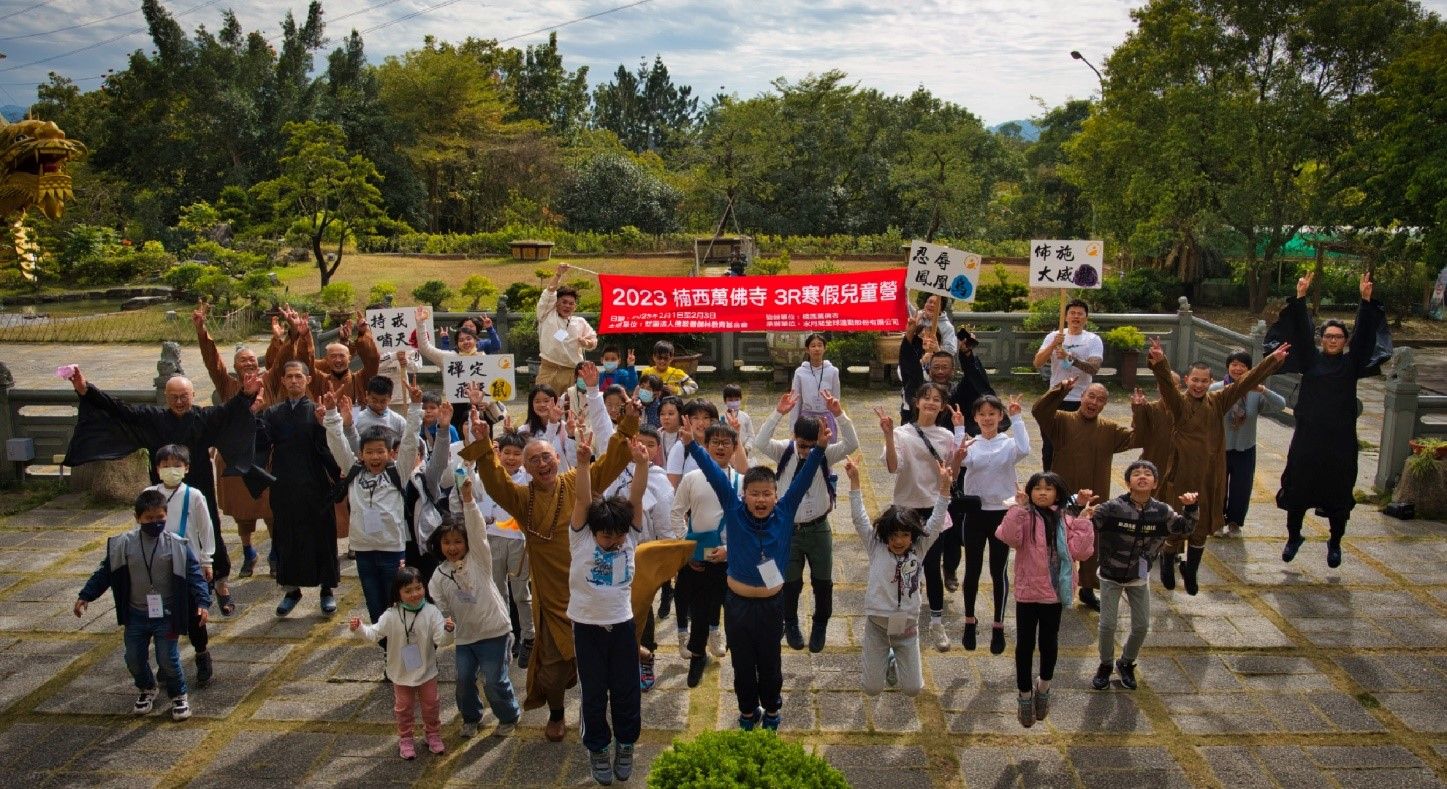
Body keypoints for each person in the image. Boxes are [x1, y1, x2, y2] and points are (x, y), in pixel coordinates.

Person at [462, 398, 640, 742]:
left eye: (547, 456)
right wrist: (484, 446)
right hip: (554, 596)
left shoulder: (578, 481)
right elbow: (496, 482)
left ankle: (602, 713)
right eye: (534, 460)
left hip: (594, 587)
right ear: (526, 468)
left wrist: (629, 424)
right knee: (554, 669)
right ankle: (557, 713)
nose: (542, 463)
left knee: (603, 664)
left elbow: (613, 461)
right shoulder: (521, 498)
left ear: (558, 458)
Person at [63, 366, 261, 617]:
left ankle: (220, 583)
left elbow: (229, 411)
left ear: (193, 395)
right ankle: (169, 585)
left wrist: (245, 394)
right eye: (174, 397)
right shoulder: (153, 418)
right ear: (166, 398)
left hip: (199, 485)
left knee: (209, 528)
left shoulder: (203, 417)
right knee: (161, 534)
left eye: (184, 396)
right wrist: (86, 389)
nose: (179, 402)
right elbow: (120, 409)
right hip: (162, 489)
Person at [687, 416, 827, 731]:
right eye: (755, 494)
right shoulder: (734, 509)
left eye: (767, 494)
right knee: (742, 664)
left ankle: (773, 710)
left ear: (776, 496)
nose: (761, 499)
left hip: (771, 605)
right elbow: (713, 474)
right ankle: (748, 712)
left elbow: (804, 479)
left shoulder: (786, 510)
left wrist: (819, 448)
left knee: (770, 663)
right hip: (737, 604)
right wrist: (691, 445)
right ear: (744, 495)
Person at [1145, 337, 1287, 593]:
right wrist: (1160, 362)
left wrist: (1271, 361)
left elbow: (1246, 382)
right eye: (1194, 380)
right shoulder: (1179, 403)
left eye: (1204, 381)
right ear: (1187, 380)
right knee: (1176, 523)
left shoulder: (1219, 400)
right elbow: (1166, 385)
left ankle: (1191, 571)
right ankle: (1168, 558)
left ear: (1211, 382)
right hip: (1182, 473)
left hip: (1209, 474)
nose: (1199, 385)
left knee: (1202, 526)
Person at [1273, 271, 1385, 568]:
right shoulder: (1311, 360)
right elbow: (1299, 329)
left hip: (1340, 441)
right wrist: (1300, 297)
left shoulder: (1352, 364)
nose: (1332, 340)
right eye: (1328, 336)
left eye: (1338, 337)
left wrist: (1365, 300)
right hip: (1308, 438)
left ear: (1344, 341)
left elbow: (1365, 337)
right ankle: (1293, 536)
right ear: (1321, 340)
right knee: (1297, 489)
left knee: (1338, 494)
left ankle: (1335, 543)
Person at [74, 489, 210, 721]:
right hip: (136, 614)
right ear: (137, 518)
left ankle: (179, 695)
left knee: (168, 658)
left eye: (160, 518)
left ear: (166, 516)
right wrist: (86, 595)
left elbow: (195, 575)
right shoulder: (123, 545)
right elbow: (105, 573)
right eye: (149, 518)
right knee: (133, 658)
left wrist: (202, 602)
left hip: (166, 614)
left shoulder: (178, 545)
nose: (155, 523)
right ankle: (147, 687)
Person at [569, 434, 649, 786]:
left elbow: (636, 497)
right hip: (587, 627)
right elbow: (583, 499)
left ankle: (626, 744)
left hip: (621, 626)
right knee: (594, 692)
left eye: (618, 537)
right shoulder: (582, 535)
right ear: (593, 532)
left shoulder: (629, 533)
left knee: (627, 689)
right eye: (608, 537)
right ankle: (598, 748)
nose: (615, 541)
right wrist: (583, 464)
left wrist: (642, 463)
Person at [753, 390, 857, 653]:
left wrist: (838, 414)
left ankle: (820, 624)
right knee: (790, 582)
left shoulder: (824, 454)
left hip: (819, 528)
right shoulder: (784, 452)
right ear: (794, 438)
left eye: (812, 445)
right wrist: (779, 412)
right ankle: (790, 622)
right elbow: (760, 441)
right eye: (802, 444)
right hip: (789, 530)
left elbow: (851, 444)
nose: (807, 450)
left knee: (822, 582)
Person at [193, 299, 287, 579]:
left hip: (265, 452)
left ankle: (274, 552)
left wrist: (282, 337)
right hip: (234, 455)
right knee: (241, 511)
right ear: (235, 366)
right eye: (242, 361)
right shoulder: (228, 384)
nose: (247, 364)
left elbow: (282, 360)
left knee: (271, 508)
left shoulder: (269, 380)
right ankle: (248, 551)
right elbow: (213, 362)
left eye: (251, 360)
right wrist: (202, 331)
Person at [846, 455, 953, 697]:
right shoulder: (876, 546)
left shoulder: (920, 548)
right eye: (893, 535)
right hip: (877, 627)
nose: (898, 541)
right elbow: (859, 519)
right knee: (871, 689)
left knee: (913, 689)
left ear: (913, 535)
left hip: (907, 627)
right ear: (884, 535)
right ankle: (886, 656)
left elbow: (935, 522)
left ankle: (893, 659)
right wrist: (855, 482)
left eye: (904, 535)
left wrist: (944, 487)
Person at [324, 380, 424, 638]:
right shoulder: (354, 470)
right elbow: (337, 444)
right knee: (375, 605)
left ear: (391, 453)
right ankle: (387, 653)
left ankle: (406, 646)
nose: (375, 457)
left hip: (392, 549)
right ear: (361, 454)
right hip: (364, 551)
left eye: (380, 451)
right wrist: (332, 414)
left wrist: (415, 407)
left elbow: (411, 441)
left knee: (399, 603)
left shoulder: (398, 472)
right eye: (369, 452)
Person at [995, 472, 1095, 729]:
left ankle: (1044, 686)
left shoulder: (1066, 519)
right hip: (1028, 592)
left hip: (1054, 593)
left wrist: (1083, 522)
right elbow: (1007, 537)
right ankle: (1025, 694)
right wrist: (1018, 508)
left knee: (1049, 642)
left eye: (1048, 489)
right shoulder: (1025, 517)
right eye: (1037, 488)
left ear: (1058, 493)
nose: (1042, 493)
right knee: (1024, 645)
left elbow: (1081, 552)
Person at [1032, 378, 1138, 612]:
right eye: (1091, 396)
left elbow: (1137, 437)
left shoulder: (1109, 429)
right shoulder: (1061, 420)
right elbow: (1039, 411)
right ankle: (1053, 586)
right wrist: (1059, 390)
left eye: (1100, 400)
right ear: (1081, 397)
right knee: (1056, 540)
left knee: (1092, 543)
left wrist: (1138, 410)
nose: (1094, 402)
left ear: (1105, 405)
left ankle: (1088, 589)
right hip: (1063, 495)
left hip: (1094, 499)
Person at [1090, 461, 1197, 692]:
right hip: (1110, 575)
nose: (1142, 477)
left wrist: (1191, 508)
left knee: (1141, 626)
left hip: (1139, 577)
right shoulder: (1113, 507)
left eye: (1148, 474)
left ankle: (1126, 662)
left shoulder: (1162, 511)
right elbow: (1086, 523)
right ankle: (1106, 665)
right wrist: (1078, 508)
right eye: (1136, 474)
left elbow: (1184, 529)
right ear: (1128, 482)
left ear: (1155, 483)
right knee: (1107, 625)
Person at [428, 477, 521, 739]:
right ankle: (471, 717)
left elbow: (477, 529)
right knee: (464, 680)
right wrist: (445, 624)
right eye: (447, 543)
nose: (453, 547)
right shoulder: (438, 576)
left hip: (494, 631)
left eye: (458, 541)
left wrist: (468, 500)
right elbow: (442, 609)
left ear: (467, 544)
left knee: (494, 681)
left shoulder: (479, 558)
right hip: (465, 637)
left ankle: (509, 714)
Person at [878, 383, 961, 651]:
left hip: (933, 508)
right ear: (916, 402)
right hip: (905, 509)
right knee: (901, 569)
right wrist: (889, 436)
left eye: (937, 399)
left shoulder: (946, 436)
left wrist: (958, 457)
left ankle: (936, 623)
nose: (931, 402)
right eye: (926, 397)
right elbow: (893, 467)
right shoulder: (902, 434)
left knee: (932, 566)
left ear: (942, 405)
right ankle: (895, 632)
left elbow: (952, 475)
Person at [257, 361, 342, 617]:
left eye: (299, 376)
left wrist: (322, 425)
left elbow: (328, 450)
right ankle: (291, 590)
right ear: (282, 380)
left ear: (307, 380)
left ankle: (327, 589)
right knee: (286, 537)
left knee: (322, 537)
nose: (294, 381)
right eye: (289, 376)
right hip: (284, 485)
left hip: (314, 485)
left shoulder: (318, 411)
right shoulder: (272, 414)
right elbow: (261, 447)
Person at [350, 567, 455, 759]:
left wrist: (449, 631)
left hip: (427, 671)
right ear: (397, 593)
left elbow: (442, 640)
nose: (415, 594)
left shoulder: (432, 612)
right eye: (408, 591)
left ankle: (432, 734)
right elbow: (374, 634)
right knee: (403, 706)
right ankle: (405, 738)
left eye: (418, 588)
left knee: (431, 704)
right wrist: (359, 629)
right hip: (400, 672)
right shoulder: (391, 615)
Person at [958, 395, 1029, 655]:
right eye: (982, 414)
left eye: (992, 413)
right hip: (975, 512)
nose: (987, 418)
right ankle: (969, 620)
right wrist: (957, 429)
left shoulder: (1008, 444)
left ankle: (998, 624)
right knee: (973, 569)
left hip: (1002, 512)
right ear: (975, 417)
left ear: (1000, 417)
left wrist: (1018, 417)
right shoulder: (971, 443)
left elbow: (1025, 449)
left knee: (998, 571)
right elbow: (957, 459)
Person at [670, 423, 739, 686]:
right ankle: (697, 655)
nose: (720, 447)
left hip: (726, 556)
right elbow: (677, 513)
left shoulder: (742, 482)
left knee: (722, 603)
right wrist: (684, 548)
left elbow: (746, 523)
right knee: (698, 607)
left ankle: (718, 638)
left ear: (735, 447)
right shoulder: (692, 479)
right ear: (706, 446)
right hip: (697, 555)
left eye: (726, 442)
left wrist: (730, 551)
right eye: (715, 442)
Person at [146, 445, 217, 687]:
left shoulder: (194, 495)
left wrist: (207, 559)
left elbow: (206, 528)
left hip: (189, 563)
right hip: (158, 565)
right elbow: (139, 528)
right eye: (165, 466)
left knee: (196, 614)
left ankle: (201, 655)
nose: (171, 470)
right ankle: (167, 661)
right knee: (163, 616)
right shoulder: (149, 494)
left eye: (177, 465)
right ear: (157, 469)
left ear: (186, 468)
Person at [1210, 351, 1287, 537]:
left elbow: (1281, 404)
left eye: (1242, 365)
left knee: (1241, 488)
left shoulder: (1254, 391)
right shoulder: (1215, 389)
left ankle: (1235, 523)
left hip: (1246, 447)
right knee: (1217, 486)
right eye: (1234, 364)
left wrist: (1262, 390)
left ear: (1249, 369)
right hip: (1219, 448)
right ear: (1227, 366)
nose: (1237, 368)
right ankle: (1217, 521)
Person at [1031, 299, 1104, 470]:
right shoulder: (1054, 336)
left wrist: (1070, 357)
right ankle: (1048, 481)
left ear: (1086, 318)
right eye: (1072, 313)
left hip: (1080, 399)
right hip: (1056, 397)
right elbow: (1037, 363)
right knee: (1050, 445)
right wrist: (1052, 345)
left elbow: (1093, 368)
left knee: (1077, 445)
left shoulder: (1092, 339)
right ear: (1066, 317)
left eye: (1080, 314)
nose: (1076, 317)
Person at [536, 264, 598, 394]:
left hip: (572, 372)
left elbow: (593, 341)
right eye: (564, 302)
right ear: (556, 302)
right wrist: (558, 275)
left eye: (571, 303)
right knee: (545, 407)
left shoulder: (580, 322)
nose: (567, 306)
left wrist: (586, 343)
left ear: (575, 306)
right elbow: (549, 293)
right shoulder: (547, 314)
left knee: (571, 408)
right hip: (549, 370)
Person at [790, 333, 841, 436]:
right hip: (806, 418)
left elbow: (836, 398)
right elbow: (796, 400)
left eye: (820, 345)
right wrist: (793, 427)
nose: (817, 349)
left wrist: (838, 421)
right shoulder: (800, 372)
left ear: (825, 348)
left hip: (826, 418)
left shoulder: (833, 371)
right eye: (813, 346)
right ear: (807, 350)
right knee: (807, 449)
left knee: (827, 450)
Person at [721, 383, 755, 456]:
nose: (734, 402)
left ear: (741, 399)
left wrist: (746, 448)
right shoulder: (721, 419)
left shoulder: (745, 417)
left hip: (743, 451)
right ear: (725, 401)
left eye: (736, 399)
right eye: (730, 400)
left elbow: (751, 436)